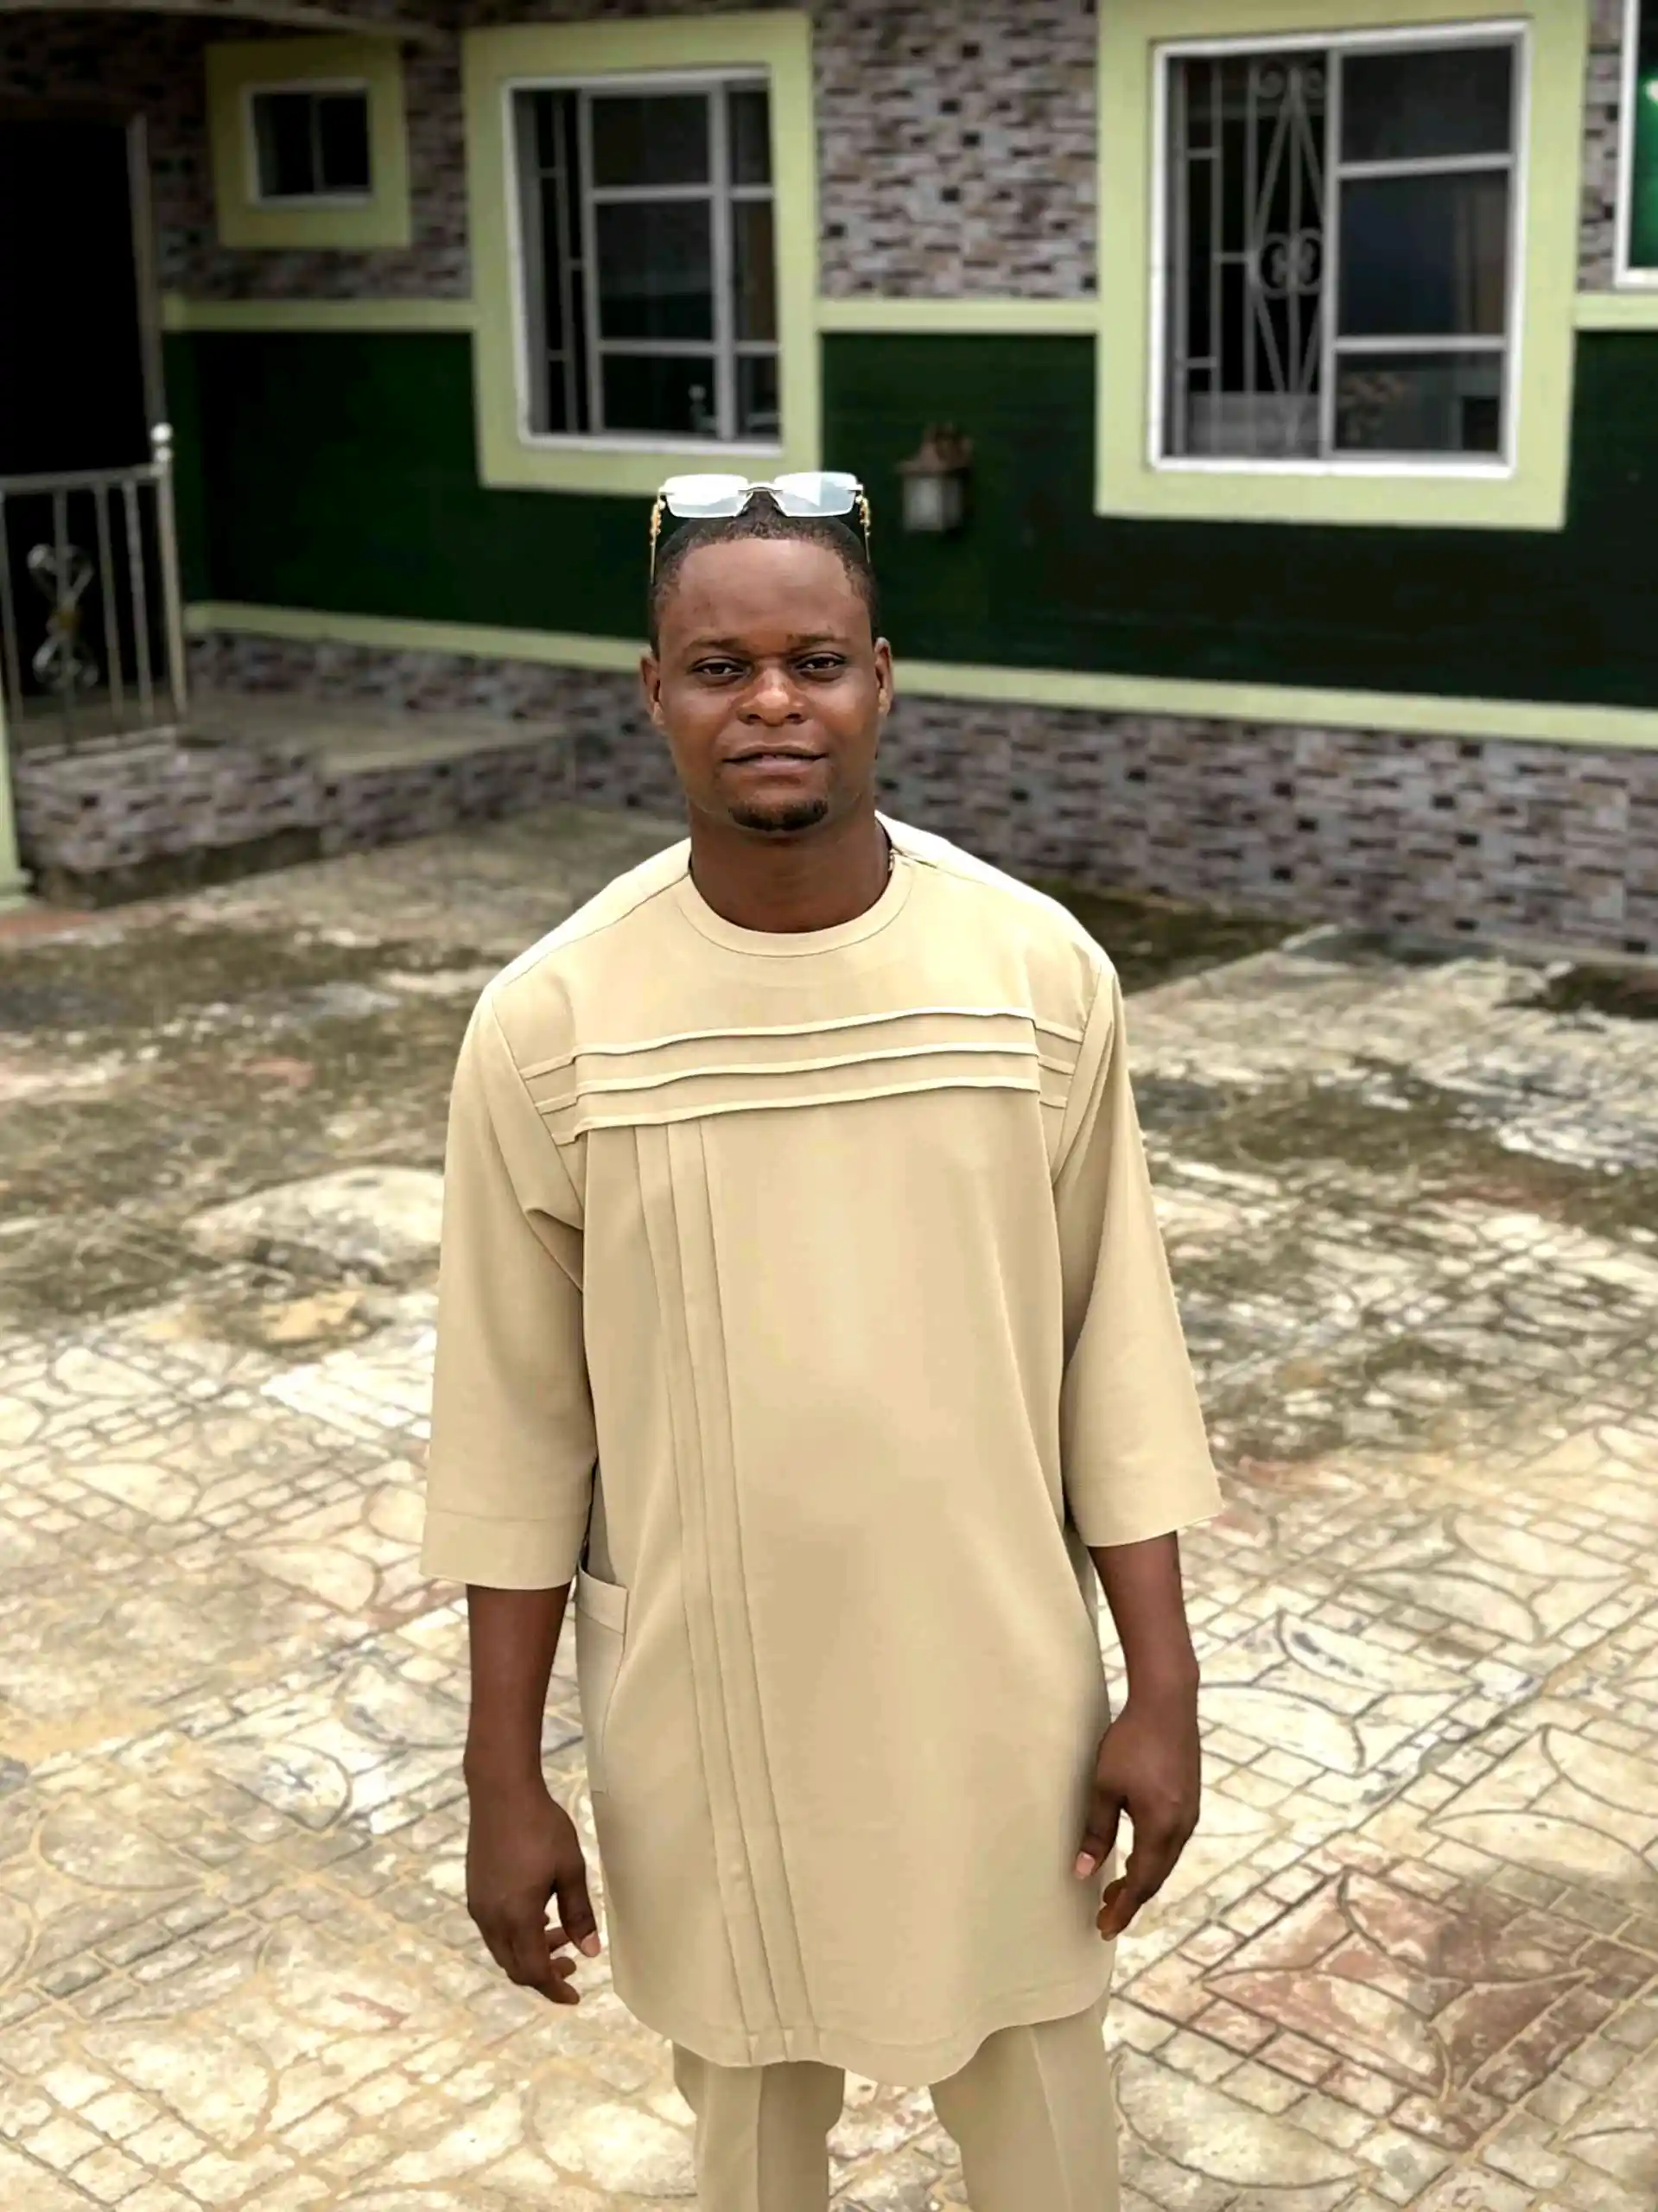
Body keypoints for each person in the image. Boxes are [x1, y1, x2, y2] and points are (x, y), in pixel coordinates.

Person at [419, 475, 1222, 2212]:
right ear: (653, 691)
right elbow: (511, 1428)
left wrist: (1158, 1683)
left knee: (1042, 2127)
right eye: (720, 666)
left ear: (881, 679)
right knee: (750, 2135)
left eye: (815, 660)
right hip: (708, 1703)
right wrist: (501, 1775)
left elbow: (1116, 1354)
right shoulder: (553, 1022)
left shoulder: (1032, 974)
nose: (771, 702)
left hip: (996, 1687)